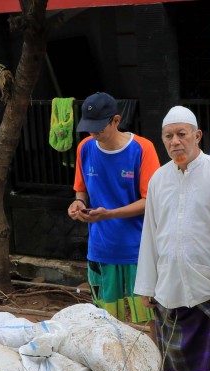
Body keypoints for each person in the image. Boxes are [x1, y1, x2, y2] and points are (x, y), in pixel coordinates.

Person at [135, 106, 210, 371]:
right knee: (181, 362)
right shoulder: (158, 178)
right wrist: (148, 283)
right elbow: (150, 232)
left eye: (181, 134)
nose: (175, 142)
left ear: (197, 135)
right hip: (170, 284)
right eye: (168, 136)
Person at [67, 92, 160, 340]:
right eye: (89, 128)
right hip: (101, 248)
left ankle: (160, 370)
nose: (93, 133)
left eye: (99, 127)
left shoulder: (142, 148)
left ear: (116, 120)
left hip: (137, 249)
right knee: (106, 319)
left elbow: (151, 200)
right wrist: (77, 204)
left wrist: (109, 214)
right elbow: (81, 189)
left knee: (151, 315)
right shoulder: (85, 148)